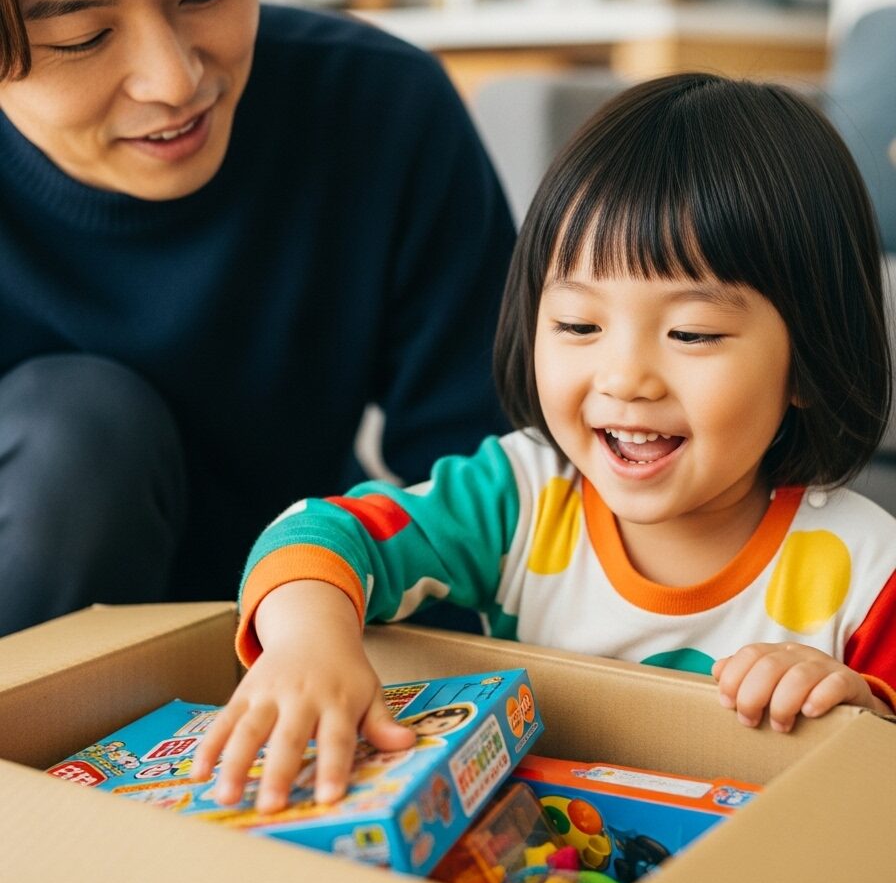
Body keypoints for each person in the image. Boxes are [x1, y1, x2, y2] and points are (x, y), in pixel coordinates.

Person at [193, 73, 896, 812]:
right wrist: (311, 645)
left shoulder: (869, 573)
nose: (625, 378)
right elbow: (316, 532)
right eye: (579, 326)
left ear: (808, 362)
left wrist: (858, 707)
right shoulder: (520, 499)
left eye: (691, 333)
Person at [0, 0, 515, 635]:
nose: (173, 78)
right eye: (81, 38)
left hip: (305, 627)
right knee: (83, 431)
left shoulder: (378, 112)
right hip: (33, 651)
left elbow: (502, 490)